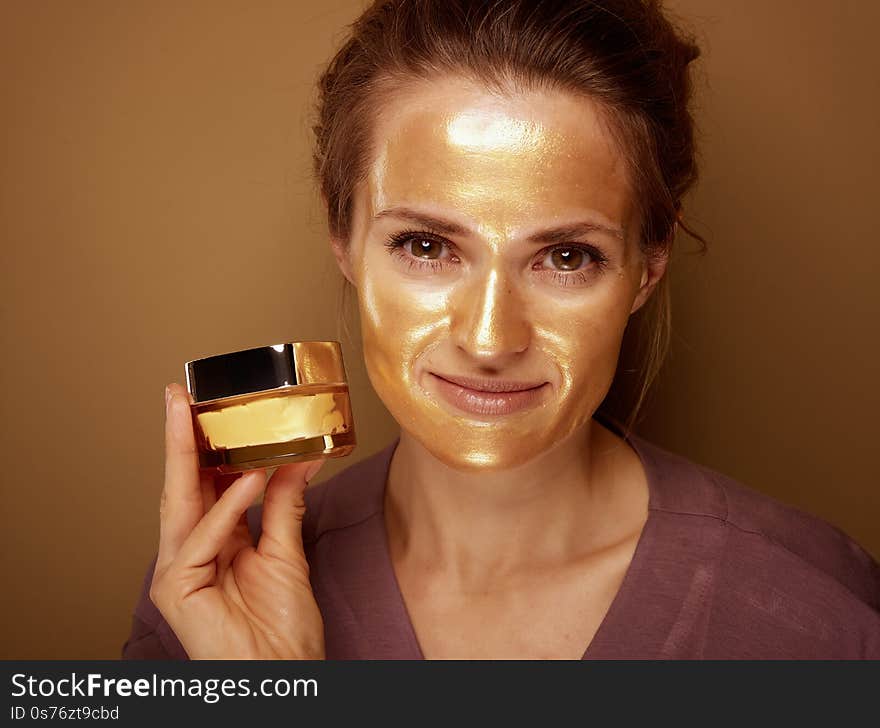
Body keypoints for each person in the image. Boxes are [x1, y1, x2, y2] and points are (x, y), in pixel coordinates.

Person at [122, 0, 880, 660]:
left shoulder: (824, 619)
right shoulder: (208, 608)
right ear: (343, 240)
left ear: (648, 267)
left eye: (565, 256)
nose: (489, 341)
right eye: (426, 246)